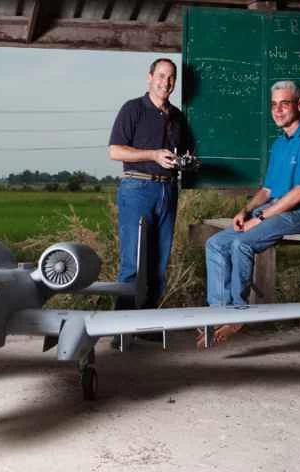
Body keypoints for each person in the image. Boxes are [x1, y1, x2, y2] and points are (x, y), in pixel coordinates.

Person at [205, 81, 300, 315]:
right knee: (216, 243)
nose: (278, 110)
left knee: (241, 244)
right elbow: (267, 190)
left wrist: (259, 218)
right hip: (274, 208)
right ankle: (219, 312)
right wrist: (246, 211)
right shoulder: (280, 143)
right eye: (274, 105)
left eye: (284, 104)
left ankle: (238, 312)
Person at [109, 57, 190, 319]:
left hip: (168, 190)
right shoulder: (132, 109)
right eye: (161, 75)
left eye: (171, 77)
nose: (166, 82)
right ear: (150, 77)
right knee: (132, 263)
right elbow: (115, 151)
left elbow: (183, 152)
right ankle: (121, 327)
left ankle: (147, 324)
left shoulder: (178, 117)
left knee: (159, 265)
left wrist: (185, 163)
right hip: (137, 189)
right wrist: (153, 155)